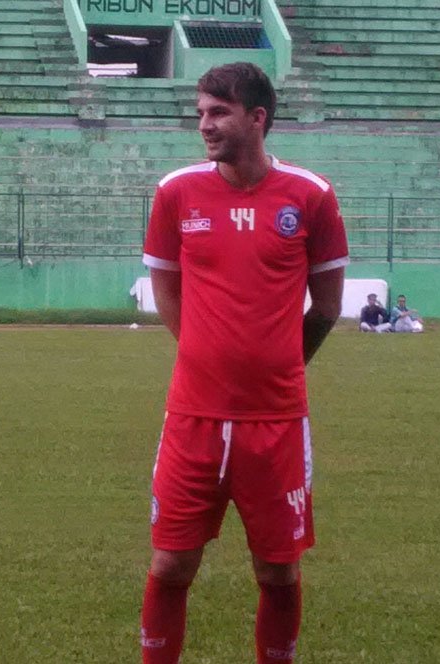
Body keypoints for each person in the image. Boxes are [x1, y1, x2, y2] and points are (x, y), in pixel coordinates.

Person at [140, 62, 348, 664]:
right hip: (192, 417)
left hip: (277, 421)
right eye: (201, 111)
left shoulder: (311, 196)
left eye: (218, 112)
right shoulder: (177, 191)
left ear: (257, 118)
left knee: (278, 573)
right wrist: (207, 356)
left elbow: (328, 308)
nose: (204, 124)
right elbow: (167, 289)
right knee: (171, 563)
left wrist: (278, 363)